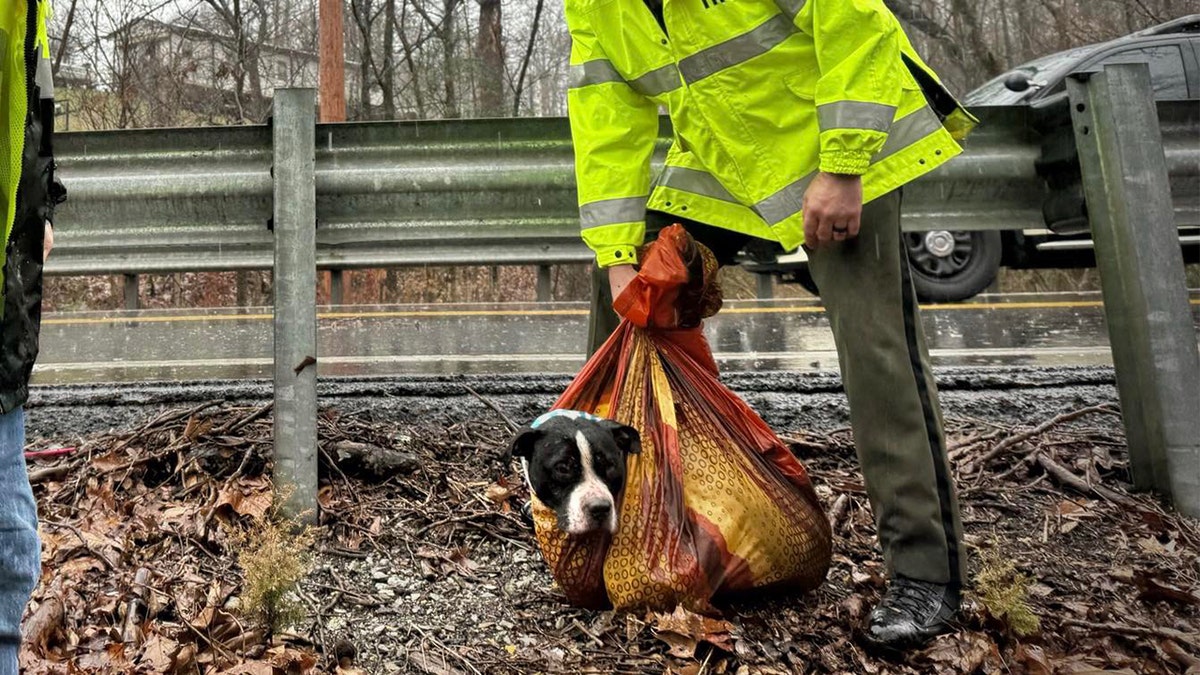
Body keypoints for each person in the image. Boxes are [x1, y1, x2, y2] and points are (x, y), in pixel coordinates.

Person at [566, 0, 976, 654]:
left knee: (877, 351)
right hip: (729, 158)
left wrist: (843, 166)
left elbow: (854, 23)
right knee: (634, 296)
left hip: (841, 135)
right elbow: (607, 109)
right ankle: (626, 535)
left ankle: (926, 572)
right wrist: (617, 253)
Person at [1, 1, 66, 671]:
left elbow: (28, 115)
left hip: (5, 326)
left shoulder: (31, 10)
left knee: (9, 546)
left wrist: (39, 204)